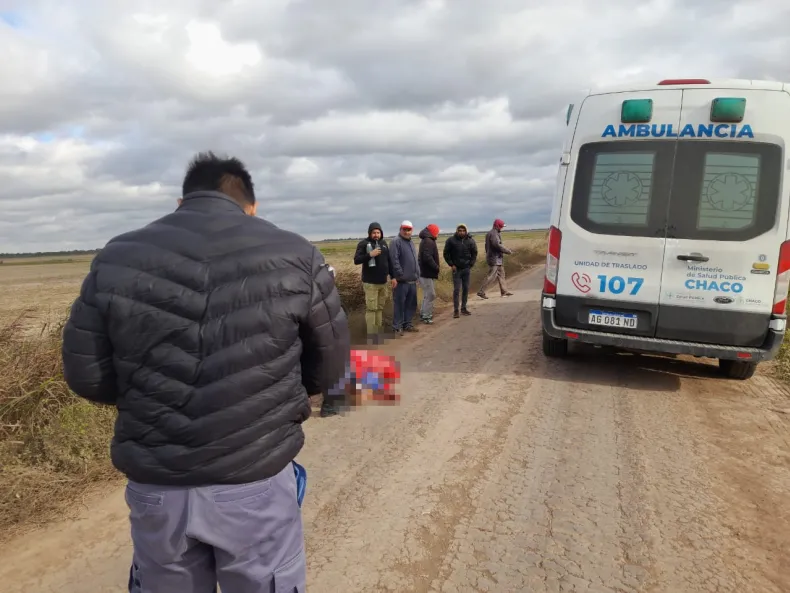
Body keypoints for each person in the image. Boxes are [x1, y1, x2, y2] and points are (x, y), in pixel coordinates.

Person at [62, 151, 350, 593]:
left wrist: (147, 400)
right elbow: (330, 367)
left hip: (158, 482)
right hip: (255, 478)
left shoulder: (117, 256)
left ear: (181, 202)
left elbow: (87, 376)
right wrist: (272, 396)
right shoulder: (296, 254)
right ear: (250, 206)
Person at [353, 222, 391, 342]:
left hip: (383, 282)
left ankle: (378, 333)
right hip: (370, 283)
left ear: (381, 233)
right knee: (371, 309)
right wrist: (370, 254)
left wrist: (393, 276)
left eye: (378, 232)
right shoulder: (364, 244)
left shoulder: (384, 244)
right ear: (370, 233)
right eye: (374, 232)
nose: (376, 235)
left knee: (379, 308)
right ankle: (372, 335)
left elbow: (388, 261)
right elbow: (356, 260)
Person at [389, 220, 420, 335]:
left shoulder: (411, 242)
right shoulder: (396, 242)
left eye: (409, 230)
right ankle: (397, 326)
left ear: (412, 230)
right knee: (399, 304)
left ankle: (408, 324)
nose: (406, 232)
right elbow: (394, 260)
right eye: (404, 229)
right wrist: (400, 274)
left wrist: (417, 274)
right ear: (400, 229)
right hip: (401, 281)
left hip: (412, 280)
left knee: (411, 304)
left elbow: (414, 260)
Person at [443, 223, 478, 318]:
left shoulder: (470, 241)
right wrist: (451, 264)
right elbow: (446, 253)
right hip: (456, 269)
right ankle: (456, 310)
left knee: (466, 289)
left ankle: (464, 308)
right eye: (460, 230)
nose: (462, 232)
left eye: (463, 230)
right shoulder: (451, 240)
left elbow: (474, 253)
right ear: (457, 231)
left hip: (466, 268)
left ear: (466, 231)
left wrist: (471, 264)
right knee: (457, 290)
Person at [478, 218, 514, 299]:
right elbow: (497, 245)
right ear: (497, 226)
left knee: (501, 274)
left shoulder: (493, 233)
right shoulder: (493, 234)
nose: (502, 228)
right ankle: (481, 291)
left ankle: (504, 291)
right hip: (494, 258)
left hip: (496, 258)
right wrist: (508, 251)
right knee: (491, 276)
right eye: (501, 226)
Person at [417, 224, 441, 324]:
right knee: (431, 294)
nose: (438, 234)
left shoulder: (426, 240)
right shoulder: (428, 241)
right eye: (437, 232)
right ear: (433, 231)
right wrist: (436, 267)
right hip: (425, 273)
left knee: (427, 294)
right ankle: (426, 316)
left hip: (424, 272)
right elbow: (427, 257)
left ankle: (423, 314)